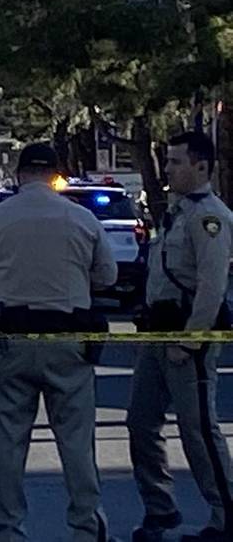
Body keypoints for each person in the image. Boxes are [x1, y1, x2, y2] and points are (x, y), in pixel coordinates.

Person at [0, 142, 118, 542]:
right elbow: (108, 276)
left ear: (19, 174)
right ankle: (86, 528)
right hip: (69, 340)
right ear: (56, 174)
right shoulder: (81, 219)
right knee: (77, 444)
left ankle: (7, 530)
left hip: (10, 339)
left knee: (9, 444)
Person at [127, 132, 233, 542]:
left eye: (174, 162)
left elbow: (211, 285)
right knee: (140, 422)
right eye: (167, 161)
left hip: (188, 338)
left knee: (199, 428)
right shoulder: (177, 212)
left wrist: (190, 340)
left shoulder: (211, 217)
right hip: (157, 334)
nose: (167, 169)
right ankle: (160, 509)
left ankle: (225, 515)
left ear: (201, 167)